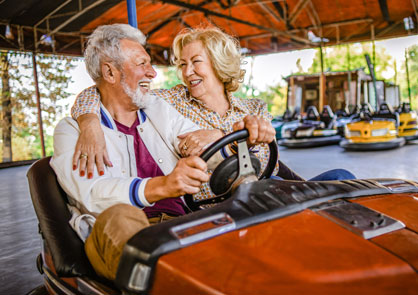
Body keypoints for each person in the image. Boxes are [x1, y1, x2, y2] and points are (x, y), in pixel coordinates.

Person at [50, 24, 276, 281]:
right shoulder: (71, 131)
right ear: (110, 72)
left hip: (180, 225)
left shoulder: (157, 109)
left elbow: (202, 148)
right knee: (120, 213)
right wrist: (163, 186)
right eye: (142, 63)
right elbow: (90, 193)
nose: (153, 72)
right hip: (117, 232)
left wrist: (235, 146)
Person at [70, 26, 354, 198]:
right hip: (220, 208)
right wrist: (90, 122)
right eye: (182, 64)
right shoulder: (169, 103)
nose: (187, 72)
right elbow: (109, 89)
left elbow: (273, 168)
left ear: (219, 64)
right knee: (274, 188)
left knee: (341, 176)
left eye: (195, 62)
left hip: (272, 191)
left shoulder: (254, 108)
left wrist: (229, 136)